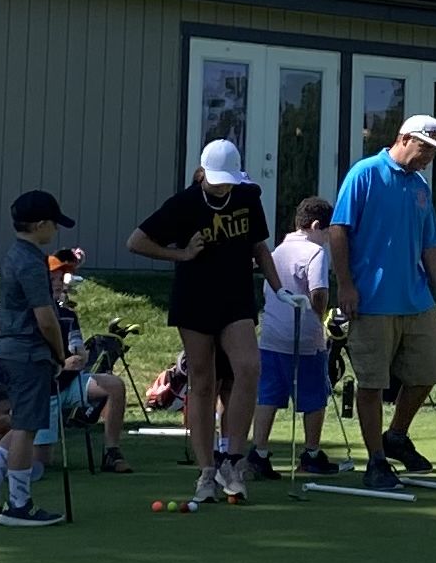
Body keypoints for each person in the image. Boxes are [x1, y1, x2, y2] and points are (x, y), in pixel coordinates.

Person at [129, 139, 277, 506]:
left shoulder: (247, 197)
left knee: (248, 367)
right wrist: (181, 254)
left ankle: (233, 461)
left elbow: (260, 248)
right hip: (195, 299)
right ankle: (206, 470)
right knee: (203, 381)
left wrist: (280, 289)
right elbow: (137, 241)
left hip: (236, 298)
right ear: (204, 174)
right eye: (219, 180)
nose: (225, 187)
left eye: (229, 180)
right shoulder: (185, 203)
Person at [331, 114, 436, 492]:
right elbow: (339, 231)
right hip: (371, 300)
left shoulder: (420, 187)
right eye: (426, 149)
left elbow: (430, 247)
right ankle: (376, 460)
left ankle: (396, 436)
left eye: (434, 152)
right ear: (404, 138)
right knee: (372, 383)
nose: (429, 157)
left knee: (427, 372)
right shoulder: (365, 173)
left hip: (416, 299)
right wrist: (345, 285)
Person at [0, 190, 76, 527]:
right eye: (53, 223)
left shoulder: (16, 254)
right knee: (27, 429)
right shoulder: (31, 262)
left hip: (13, 350)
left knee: (20, 425)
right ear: (40, 224)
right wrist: (60, 353)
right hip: (29, 351)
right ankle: (18, 505)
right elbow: (46, 318)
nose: (56, 229)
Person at [250, 195, 340, 477]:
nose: (328, 238)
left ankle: (258, 453)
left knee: (268, 395)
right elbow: (318, 293)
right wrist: (321, 318)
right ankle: (311, 454)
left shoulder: (277, 250)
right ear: (315, 226)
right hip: (304, 337)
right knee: (314, 396)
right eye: (326, 231)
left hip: (272, 335)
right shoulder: (315, 252)